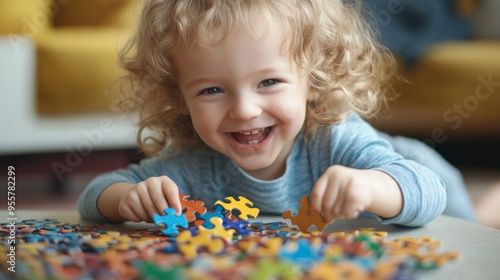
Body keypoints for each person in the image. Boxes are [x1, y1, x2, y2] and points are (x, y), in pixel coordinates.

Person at [78, 0, 456, 227]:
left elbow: (428, 193)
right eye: (211, 90)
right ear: (178, 98)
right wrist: (128, 197)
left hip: (427, 168)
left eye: (270, 82)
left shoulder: (337, 141)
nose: (244, 110)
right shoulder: (193, 165)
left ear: (316, 80)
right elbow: (92, 196)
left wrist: (371, 186)